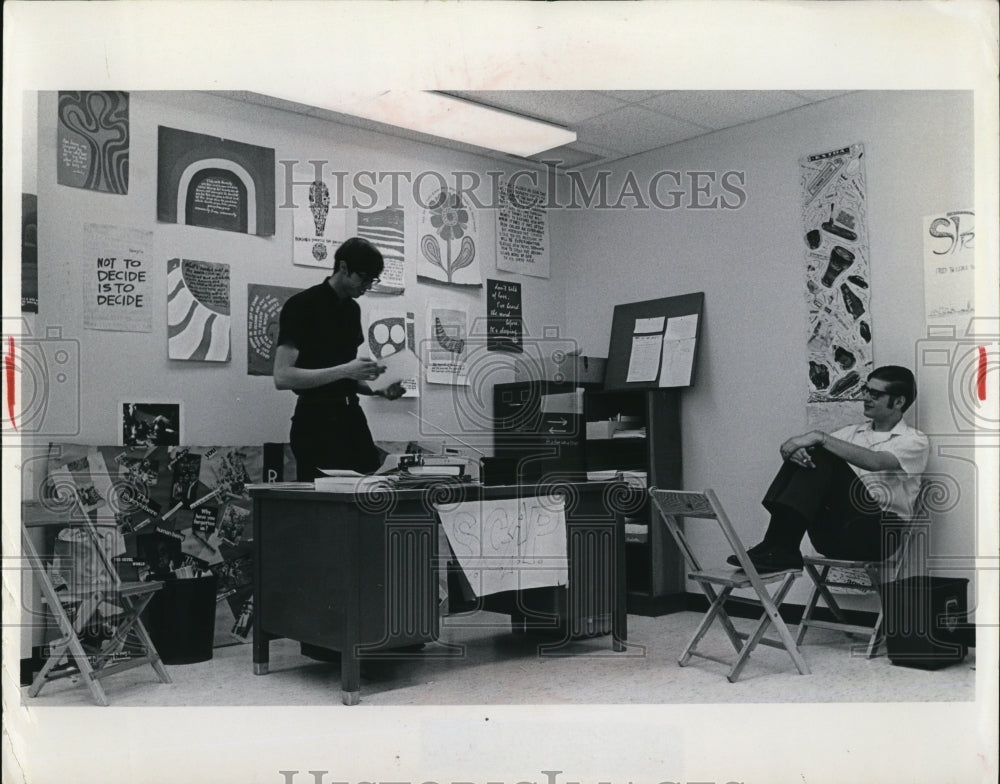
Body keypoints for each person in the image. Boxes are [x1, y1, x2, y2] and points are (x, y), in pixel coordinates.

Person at [731, 365, 929, 572]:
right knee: (812, 453)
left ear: (898, 402)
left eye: (875, 394)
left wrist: (819, 437)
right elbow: (803, 454)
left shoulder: (914, 440)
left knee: (820, 451)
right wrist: (793, 452)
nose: (866, 397)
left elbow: (876, 462)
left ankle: (780, 548)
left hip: (879, 537)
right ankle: (777, 545)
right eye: (866, 390)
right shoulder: (850, 434)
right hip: (833, 537)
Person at [274, 237, 405, 481]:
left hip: (350, 417)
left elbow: (346, 379)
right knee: (324, 511)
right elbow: (282, 376)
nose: (366, 286)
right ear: (343, 268)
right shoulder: (301, 306)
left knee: (370, 492)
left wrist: (378, 390)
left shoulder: (352, 311)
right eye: (363, 278)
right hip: (315, 422)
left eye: (372, 280)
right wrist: (347, 370)